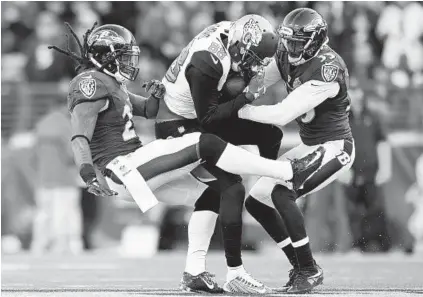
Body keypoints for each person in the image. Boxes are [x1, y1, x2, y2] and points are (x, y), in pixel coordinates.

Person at [49, 19, 325, 283]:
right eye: (122, 56)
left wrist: (156, 94)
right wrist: (87, 173)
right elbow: (79, 136)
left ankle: (194, 272)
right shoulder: (90, 83)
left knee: (211, 193)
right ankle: (288, 171)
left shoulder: (112, 85)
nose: (128, 63)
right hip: (119, 169)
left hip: (134, 168)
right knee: (204, 143)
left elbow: (147, 110)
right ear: (105, 56)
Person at [155, 15, 283, 294]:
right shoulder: (207, 60)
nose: (253, 66)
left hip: (197, 120)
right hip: (177, 125)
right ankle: (235, 272)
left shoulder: (230, 34)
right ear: (238, 43)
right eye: (251, 58)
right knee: (232, 187)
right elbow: (210, 118)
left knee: (270, 136)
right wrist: (246, 97)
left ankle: (264, 194)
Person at [235, 8, 356, 294]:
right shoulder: (286, 55)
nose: (291, 48)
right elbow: (260, 82)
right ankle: (303, 266)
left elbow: (281, 114)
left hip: (334, 147)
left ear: (315, 40)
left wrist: (238, 110)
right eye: (288, 42)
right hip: (310, 145)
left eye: (298, 43)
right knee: (256, 200)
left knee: (281, 191)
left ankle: (310, 270)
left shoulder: (327, 67)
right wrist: (229, 92)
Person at [340, 78, 391, 252]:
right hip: (351, 171)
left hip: (371, 171)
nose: (355, 94)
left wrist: (385, 168)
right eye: (351, 90)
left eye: (357, 90)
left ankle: (378, 246)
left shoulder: (373, 116)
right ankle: (357, 246)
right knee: (353, 212)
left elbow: (382, 142)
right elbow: (334, 145)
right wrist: (341, 171)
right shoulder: (342, 118)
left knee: (375, 210)